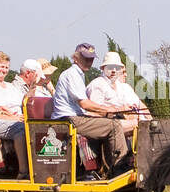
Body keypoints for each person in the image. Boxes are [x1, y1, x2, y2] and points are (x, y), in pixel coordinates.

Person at [50, 42, 130, 176]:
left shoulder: (79, 74)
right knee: (114, 125)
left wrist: (109, 112)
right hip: (67, 120)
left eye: (91, 58)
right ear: (75, 58)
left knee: (111, 121)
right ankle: (119, 167)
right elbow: (85, 104)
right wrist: (108, 110)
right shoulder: (72, 74)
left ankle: (107, 168)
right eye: (85, 58)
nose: (89, 61)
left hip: (74, 117)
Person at [88, 51, 148, 135]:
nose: (114, 71)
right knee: (141, 124)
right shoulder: (97, 85)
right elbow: (94, 112)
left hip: (118, 122)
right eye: (110, 67)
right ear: (103, 68)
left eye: (117, 68)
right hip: (104, 125)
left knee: (146, 124)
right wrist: (118, 110)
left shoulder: (119, 86)